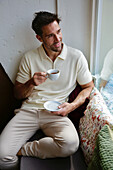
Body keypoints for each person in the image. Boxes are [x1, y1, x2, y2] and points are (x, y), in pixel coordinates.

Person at [0, 11, 94, 169]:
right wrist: (31, 83)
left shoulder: (76, 57)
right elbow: (17, 94)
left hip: (56, 111)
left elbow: (88, 87)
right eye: (50, 36)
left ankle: (22, 150)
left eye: (58, 32)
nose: (57, 39)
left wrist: (72, 106)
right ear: (39, 38)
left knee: (71, 144)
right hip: (29, 111)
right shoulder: (29, 58)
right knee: (2, 157)